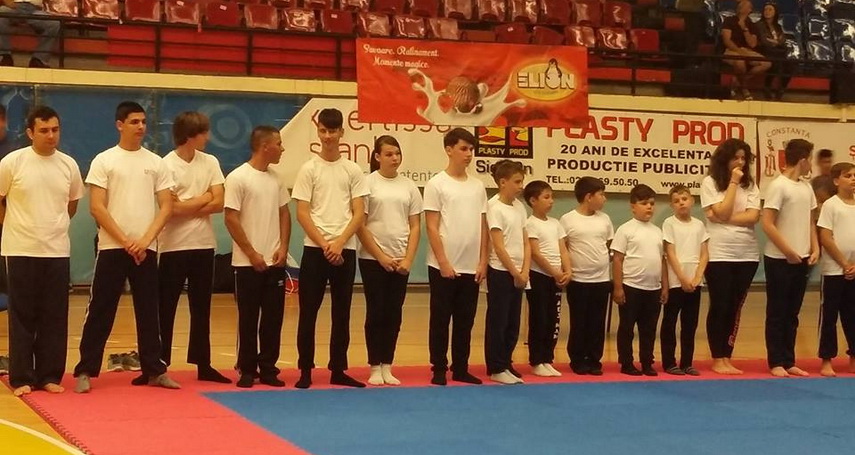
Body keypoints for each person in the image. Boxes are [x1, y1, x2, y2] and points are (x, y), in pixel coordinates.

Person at [73, 101, 179, 393]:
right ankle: (85, 369)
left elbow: (166, 206)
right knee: (100, 309)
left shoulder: (156, 163)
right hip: (112, 247)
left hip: (146, 248)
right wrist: (124, 240)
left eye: (143, 121)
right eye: (134, 122)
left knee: (149, 311)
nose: (141, 126)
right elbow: (97, 207)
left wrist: (145, 240)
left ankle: (154, 370)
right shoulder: (104, 160)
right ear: (120, 125)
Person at [0, 106, 84, 396]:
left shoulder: (69, 165)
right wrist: (15, 226)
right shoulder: (12, 162)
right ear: (30, 132)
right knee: (22, 315)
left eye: (55, 130)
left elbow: (72, 205)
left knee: (54, 316)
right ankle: (21, 377)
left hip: (56, 250)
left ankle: (49, 375)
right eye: (44, 130)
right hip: (20, 248)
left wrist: (53, 227)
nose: (51, 135)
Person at [293, 108, 369, 389]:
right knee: (308, 312)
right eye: (323, 131)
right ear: (318, 132)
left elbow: (359, 213)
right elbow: (302, 213)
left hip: (344, 248)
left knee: (342, 311)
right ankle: (305, 370)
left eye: (332, 131)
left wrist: (339, 242)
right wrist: (325, 244)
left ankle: (338, 369)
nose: (328, 136)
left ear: (341, 133)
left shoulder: (352, 170)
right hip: (315, 249)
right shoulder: (308, 169)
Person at [157, 112, 230, 384]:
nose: (207, 137)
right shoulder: (166, 165)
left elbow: (219, 202)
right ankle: (159, 363)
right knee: (165, 307)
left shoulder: (210, 162)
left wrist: (187, 204)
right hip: (172, 246)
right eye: (203, 133)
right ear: (190, 136)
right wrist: (203, 199)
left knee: (202, 307)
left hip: (203, 244)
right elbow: (170, 209)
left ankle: (203, 363)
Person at [224, 125, 291, 388]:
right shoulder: (238, 178)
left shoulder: (277, 179)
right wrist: (251, 253)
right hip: (246, 264)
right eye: (279, 143)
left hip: (274, 262)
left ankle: (268, 368)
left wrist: (283, 247)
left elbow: (284, 213)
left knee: (273, 319)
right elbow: (231, 218)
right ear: (265, 147)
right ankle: (247, 368)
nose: (282, 148)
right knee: (248, 319)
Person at [355, 135, 422, 386]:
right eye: (389, 154)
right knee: (376, 312)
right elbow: (360, 224)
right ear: (377, 157)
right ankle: (374, 365)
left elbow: (415, 226)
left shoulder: (409, 186)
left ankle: (387, 364)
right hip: (373, 258)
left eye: (397, 153)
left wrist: (408, 259)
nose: (394, 158)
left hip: (400, 258)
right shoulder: (367, 184)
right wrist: (380, 256)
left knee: (394, 313)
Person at [424, 127, 488, 386]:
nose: (469, 154)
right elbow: (431, 226)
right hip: (443, 265)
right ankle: (439, 367)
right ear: (449, 150)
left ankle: (461, 367)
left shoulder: (478, 186)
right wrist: (443, 262)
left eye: (471, 149)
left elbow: (483, 225)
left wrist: (483, 261)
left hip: (471, 266)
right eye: (463, 148)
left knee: (465, 321)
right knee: (440, 320)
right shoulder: (436, 184)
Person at [701, 138, 761, 375]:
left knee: (735, 307)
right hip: (719, 253)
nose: (740, 162)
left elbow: (753, 217)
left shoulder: (751, 185)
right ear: (725, 159)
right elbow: (724, 209)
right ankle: (717, 357)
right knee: (720, 304)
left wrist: (722, 217)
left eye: (744, 158)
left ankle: (727, 355)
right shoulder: (710, 182)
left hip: (746, 254)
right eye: (736, 158)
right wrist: (733, 183)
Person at [762, 138, 818, 378]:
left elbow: (810, 221)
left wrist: (815, 248)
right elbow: (767, 223)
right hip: (779, 258)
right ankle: (775, 361)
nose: (811, 165)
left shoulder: (806, 187)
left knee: (792, 313)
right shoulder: (778, 186)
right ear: (803, 160)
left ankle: (789, 359)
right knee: (777, 311)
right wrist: (787, 251)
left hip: (801, 257)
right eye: (810, 159)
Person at [612, 184, 668, 377]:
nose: (649, 207)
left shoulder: (657, 231)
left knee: (649, 329)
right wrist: (618, 287)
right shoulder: (625, 230)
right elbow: (617, 259)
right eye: (644, 203)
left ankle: (646, 362)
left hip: (653, 288)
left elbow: (662, 260)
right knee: (627, 327)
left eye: (652, 203)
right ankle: (626, 362)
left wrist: (664, 286)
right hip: (631, 286)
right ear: (633, 206)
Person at [560, 176, 612, 376]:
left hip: (601, 280)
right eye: (601, 194)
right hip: (578, 281)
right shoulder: (568, 219)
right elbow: (563, 247)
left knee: (597, 323)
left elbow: (607, 245)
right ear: (589, 197)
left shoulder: (604, 219)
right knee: (579, 322)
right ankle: (578, 359)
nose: (604, 199)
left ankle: (594, 359)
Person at [485, 160, 530, 385]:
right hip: (501, 271)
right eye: (517, 182)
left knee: (513, 321)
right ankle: (496, 366)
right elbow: (499, 246)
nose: (521, 186)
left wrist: (525, 271)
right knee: (499, 320)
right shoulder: (494, 208)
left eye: (522, 181)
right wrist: (514, 272)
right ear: (503, 183)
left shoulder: (519, 207)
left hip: (520, 272)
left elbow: (526, 241)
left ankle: (506, 361)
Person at [660, 184, 709, 376]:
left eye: (684, 199)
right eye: (676, 201)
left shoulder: (699, 225)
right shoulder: (669, 223)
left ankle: (687, 362)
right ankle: (669, 362)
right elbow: (670, 253)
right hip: (676, 281)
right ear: (671, 205)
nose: (681, 203)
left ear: (692, 201)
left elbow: (704, 254)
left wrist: (697, 277)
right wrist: (682, 278)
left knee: (690, 324)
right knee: (670, 322)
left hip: (694, 282)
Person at [523, 180, 570, 378]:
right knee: (539, 318)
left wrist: (567, 271)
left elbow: (563, 249)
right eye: (546, 197)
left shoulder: (555, 223)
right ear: (533, 201)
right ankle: (536, 360)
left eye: (552, 197)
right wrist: (554, 272)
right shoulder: (530, 224)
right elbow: (535, 253)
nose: (551, 201)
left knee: (552, 319)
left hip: (555, 277)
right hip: (539, 276)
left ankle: (547, 359)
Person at [817, 162, 855, 377]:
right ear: (836, 181)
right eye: (848, 175)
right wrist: (844, 263)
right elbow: (825, 237)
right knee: (829, 316)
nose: (853, 179)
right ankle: (826, 359)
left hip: (853, 270)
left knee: (852, 315)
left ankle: (853, 357)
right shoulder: (831, 205)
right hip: (834, 270)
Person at [721, 0, 771, 100]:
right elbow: (727, 40)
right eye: (744, 6)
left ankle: (737, 82)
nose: (747, 8)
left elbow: (752, 44)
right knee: (740, 62)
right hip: (731, 50)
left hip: (746, 50)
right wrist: (739, 51)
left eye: (748, 7)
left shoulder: (751, 25)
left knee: (766, 63)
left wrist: (744, 28)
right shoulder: (729, 21)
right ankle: (744, 88)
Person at [0, 0, 59, 68]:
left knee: (54, 23)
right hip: (15, 7)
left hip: (34, 10)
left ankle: (39, 59)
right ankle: (5, 56)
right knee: (2, 12)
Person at [756, 1, 791, 100]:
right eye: (765, 9)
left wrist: (776, 42)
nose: (767, 11)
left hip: (777, 51)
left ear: (775, 12)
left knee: (790, 66)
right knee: (776, 61)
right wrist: (776, 42)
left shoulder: (778, 26)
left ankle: (781, 89)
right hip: (765, 50)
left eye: (770, 9)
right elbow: (764, 41)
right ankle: (767, 87)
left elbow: (783, 41)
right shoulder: (759, 25)